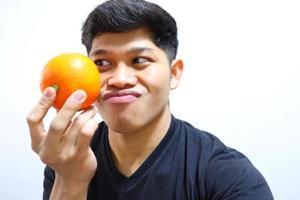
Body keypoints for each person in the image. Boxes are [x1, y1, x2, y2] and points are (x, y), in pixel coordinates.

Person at [26, 0, 274, 199]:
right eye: (101, 63)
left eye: (139, 61)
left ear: (174, 74)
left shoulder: (227, 176)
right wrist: (70, 180)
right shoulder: (69, 158)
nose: (120, 79)